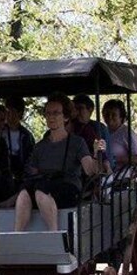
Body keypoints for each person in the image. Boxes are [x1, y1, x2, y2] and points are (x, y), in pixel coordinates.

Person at [14, 92, 102, 231]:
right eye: (48, 113)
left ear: (66, 117)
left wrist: (96, 153)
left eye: (56, 113)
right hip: (44, 187)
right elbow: (31, 171)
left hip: (69, 188)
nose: (51, 117)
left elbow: (90, 170)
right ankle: (17, 235)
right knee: (25, 191)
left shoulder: (77, 143)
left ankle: (54, 233)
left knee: (41, 189)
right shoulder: (40, 146)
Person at [72, 93, 115, 170]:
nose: (77, 112)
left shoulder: (99, 128)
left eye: (81, 108)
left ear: (90, 110)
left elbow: (106, 156)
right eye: (75, 109)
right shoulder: (71, 127)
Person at [3, 96, 36, 184]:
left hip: (21, 174)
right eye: (7, 112)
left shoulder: (27, 136)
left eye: (12, 112)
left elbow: (31, 157)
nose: (8, 115)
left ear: (19, 113)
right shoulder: (0, 132)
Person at [102, 99, 137, 167]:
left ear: (121, 117)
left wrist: (116, 159)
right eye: (107, 114)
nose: (110, 117)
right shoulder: (103, 131)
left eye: (113, 115)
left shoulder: (126, 133)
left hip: (121, 175)